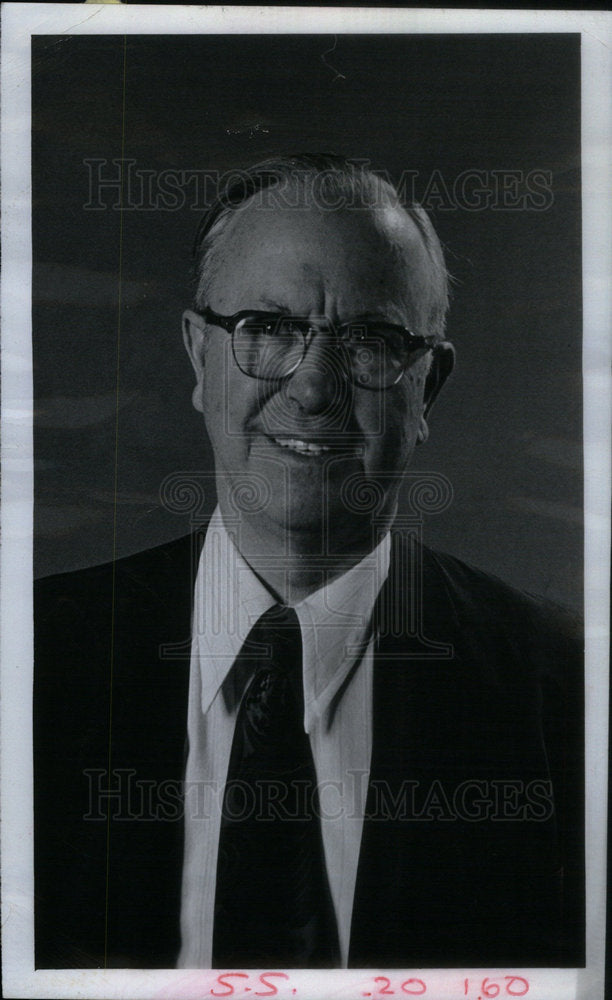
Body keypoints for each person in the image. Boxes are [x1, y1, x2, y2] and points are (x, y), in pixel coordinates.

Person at [34, 155, 584, 971]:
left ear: (425, 389)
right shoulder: (31, 657)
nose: (315, 388)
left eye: (371, 342)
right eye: (268, 328)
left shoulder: (564, 692)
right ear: (198, 357)